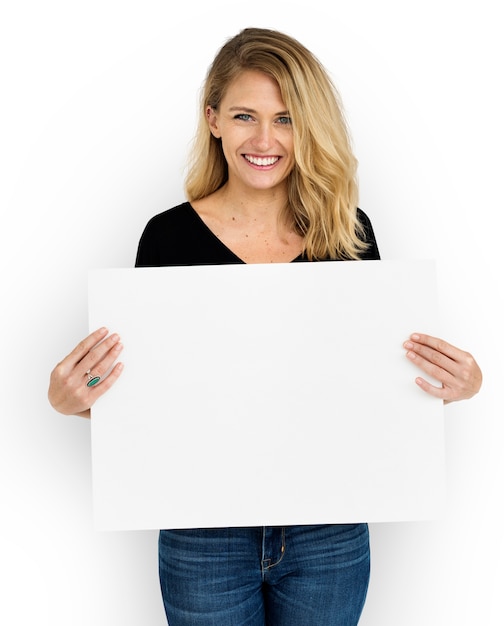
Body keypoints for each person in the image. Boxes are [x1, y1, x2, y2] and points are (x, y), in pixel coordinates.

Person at [48, 27, 482, 626]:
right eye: (245, 115)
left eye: (285, 119)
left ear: (309, 127)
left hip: (328, 532)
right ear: (213, 119)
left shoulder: (348, 234)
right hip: (205, 535)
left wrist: (462, 383)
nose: (264, 139)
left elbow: (371, 385)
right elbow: (150, 396)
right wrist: (77, 398)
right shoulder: (168, 237)